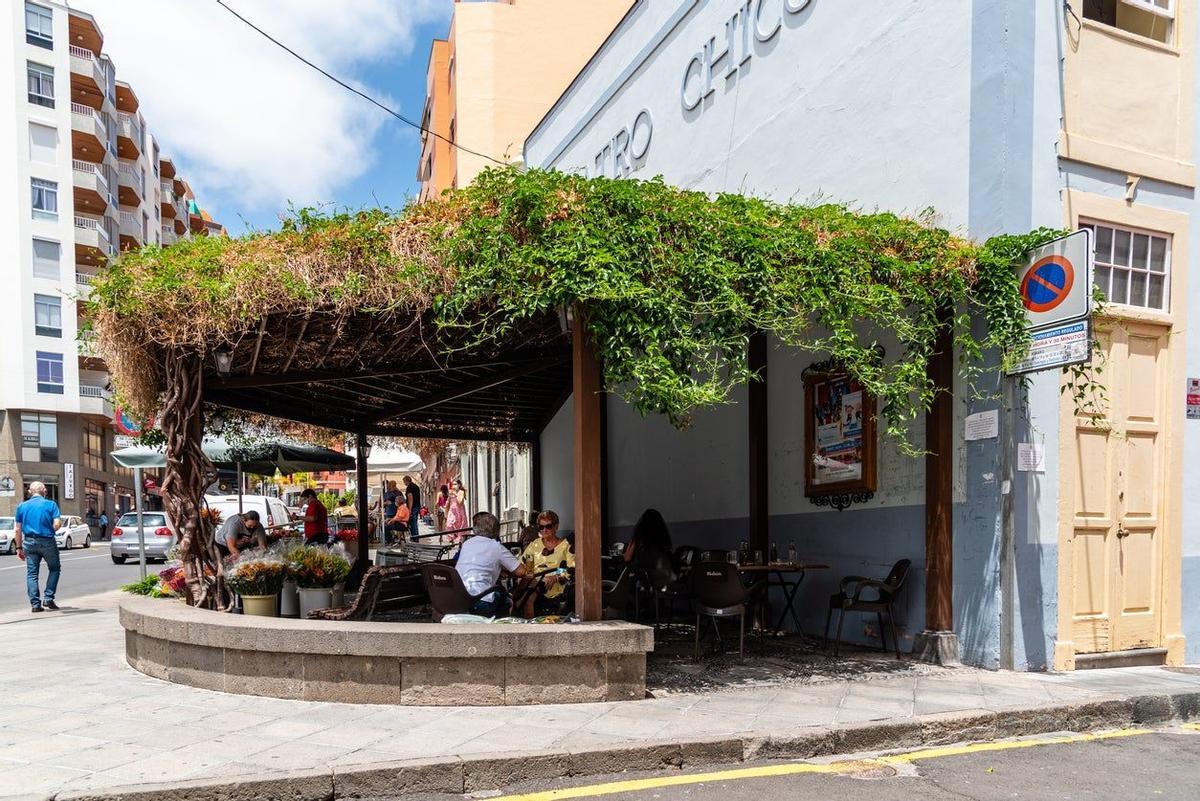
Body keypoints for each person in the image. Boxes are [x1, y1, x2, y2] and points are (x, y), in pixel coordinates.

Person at [455, 511, 528, 617]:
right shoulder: (496, 547)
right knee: (507, 601)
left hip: (459, 597)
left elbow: (479, 564)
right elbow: (521, 571)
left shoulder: (467, 544)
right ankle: (502, 630)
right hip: (481, 600)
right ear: (496, 531)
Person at [14, 481, 62, 613]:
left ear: (30, 492)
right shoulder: (51, 504)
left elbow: (18, 530)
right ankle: (48, 597)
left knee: (32, 574)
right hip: (47, 541)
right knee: (54, 568)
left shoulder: (22, 506)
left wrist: (18, 548)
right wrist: (55, 527)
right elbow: (57, 523)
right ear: (44, 491)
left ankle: (35, 604)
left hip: (29, 542)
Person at [516, 510, 574, 617]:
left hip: (555, 586)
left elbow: (571, 569)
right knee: (525, 590)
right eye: (541, 527)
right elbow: (528, 568)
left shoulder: (566, 546)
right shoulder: (535, 545)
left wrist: (556, 576)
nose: (544, 530)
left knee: (527, 595)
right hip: (536, 582)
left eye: (548, 526)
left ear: (556, 526)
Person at [403, 476, 421, 543]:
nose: (404, 483)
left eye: (404, 481)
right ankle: (416, 538)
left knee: (413, 523)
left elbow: (410, 499)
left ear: (406, 481)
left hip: (413, 507)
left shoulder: (409, 487)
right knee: (415, 523)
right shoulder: (416, 486)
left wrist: (410, 509)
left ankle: (415, 538)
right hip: (417, 506)